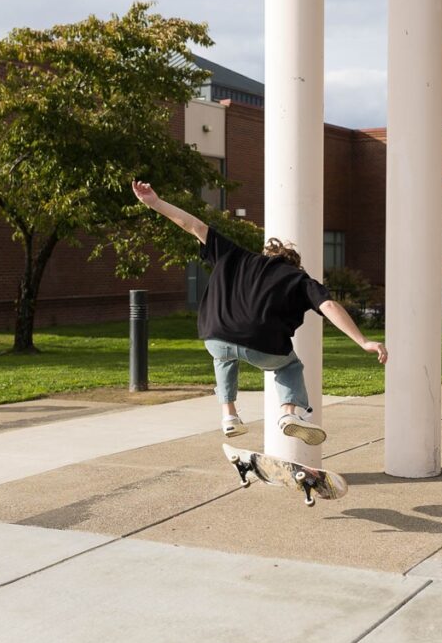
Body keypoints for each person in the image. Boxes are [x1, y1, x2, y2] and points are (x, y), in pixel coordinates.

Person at [132, 181, 387, 445]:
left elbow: (193, 225)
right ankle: (289, 413)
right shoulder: (299, 279)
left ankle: (228, 415)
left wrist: (154, 203)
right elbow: (330, 306)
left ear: (266, 255)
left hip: (216, 334)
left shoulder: (235, 255)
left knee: (223, 357)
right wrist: (363, 341)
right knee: (290, 365)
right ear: (293, 263)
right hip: (264, 346)